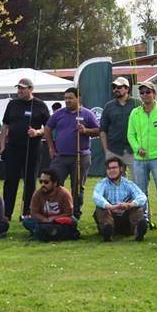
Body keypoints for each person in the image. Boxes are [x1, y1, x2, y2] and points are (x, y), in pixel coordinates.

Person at [44, 87, 100, 220]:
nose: (67, 101)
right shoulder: (58, 113)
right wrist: (51, 148)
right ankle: (55, 212)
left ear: (78, 98)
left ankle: (75, 214)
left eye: (70, 98)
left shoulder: (86, 114)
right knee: (54, 184)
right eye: (65, 98)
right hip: (60, 157)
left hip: (81, 156)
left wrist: (85, 130)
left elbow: (98, 130)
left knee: (78, 187)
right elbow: (47, 128)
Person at [127, 81, 157, 229]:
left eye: (148, 92)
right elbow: (130, 134)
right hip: (139, 159)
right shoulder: (135, 113)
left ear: (154, 94)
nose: (145, 95)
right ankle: (145, 220)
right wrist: (137, 148)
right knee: (141, 192)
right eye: (142, 92)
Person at [0, 78, 51, 219]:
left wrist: (37, 132)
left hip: (32, 149)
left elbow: (48, 128)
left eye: (22, 88)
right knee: (10, 181)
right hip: (13, 149)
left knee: (30, 181)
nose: (19, 91)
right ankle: (6, 213)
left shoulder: (40, 105)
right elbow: (4, 126)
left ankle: (27, 212)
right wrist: (2, 146)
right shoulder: (12, 104)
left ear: (30, 89)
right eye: (18, 88)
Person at [92, 156, 148, 242]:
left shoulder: (128, 183)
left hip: (126, 220)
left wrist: (129, 205)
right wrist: (110, 206)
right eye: (109, 168)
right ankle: (108, 233)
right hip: (110, 218)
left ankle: (139, 231)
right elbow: (96, 197)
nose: (111, 171)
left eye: (114, 168)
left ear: (121, 169)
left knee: (136, 206)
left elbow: (142, 197)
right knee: (101, 207)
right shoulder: (102, 183)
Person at [23, 170, 80, 241]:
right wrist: (44, 219)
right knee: (26, 221)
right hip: (43, 220)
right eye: (41, 182)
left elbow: (68, 213)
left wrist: (53, 218)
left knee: (73, 221)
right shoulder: (37, 193)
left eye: (46, 182)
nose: (43, 184)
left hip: (58, 221)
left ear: (55, 183)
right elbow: (34, 212)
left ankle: (40, 231)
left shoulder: (64, 193)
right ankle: (52, 232)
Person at [99, 76, 140, 168]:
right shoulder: (108, 106)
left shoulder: (137, 104)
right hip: (113, 150)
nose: (116, 89)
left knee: (138, 180)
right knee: (114, 181)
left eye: (119, 87)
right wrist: (106, 151)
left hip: (133, 150)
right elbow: (102, 130)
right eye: (114, 87)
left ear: (127, 88)